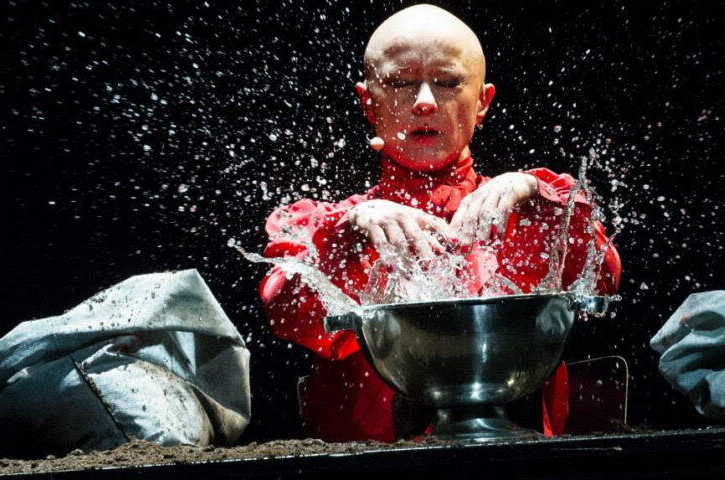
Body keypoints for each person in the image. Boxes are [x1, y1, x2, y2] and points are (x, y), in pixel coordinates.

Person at [259, 4, 621, 442]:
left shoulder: (529, 209)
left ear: (483, 102)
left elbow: (603, 277)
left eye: (448, 83)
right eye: (399, 83)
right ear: (368, 103)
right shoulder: (330, 224)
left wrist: (537, 192)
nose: (425, 102)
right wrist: (348, 230)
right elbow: (284, 310)